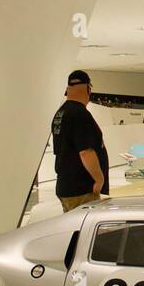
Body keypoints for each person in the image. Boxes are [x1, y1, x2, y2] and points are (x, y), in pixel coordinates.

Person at [51, 69, 108, 212]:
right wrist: (99, 179)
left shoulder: (61, 112)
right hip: (81, 189)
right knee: (81, 230)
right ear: (87, 88)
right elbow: (85, 152)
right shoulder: (80, 114)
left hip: (67, 185)